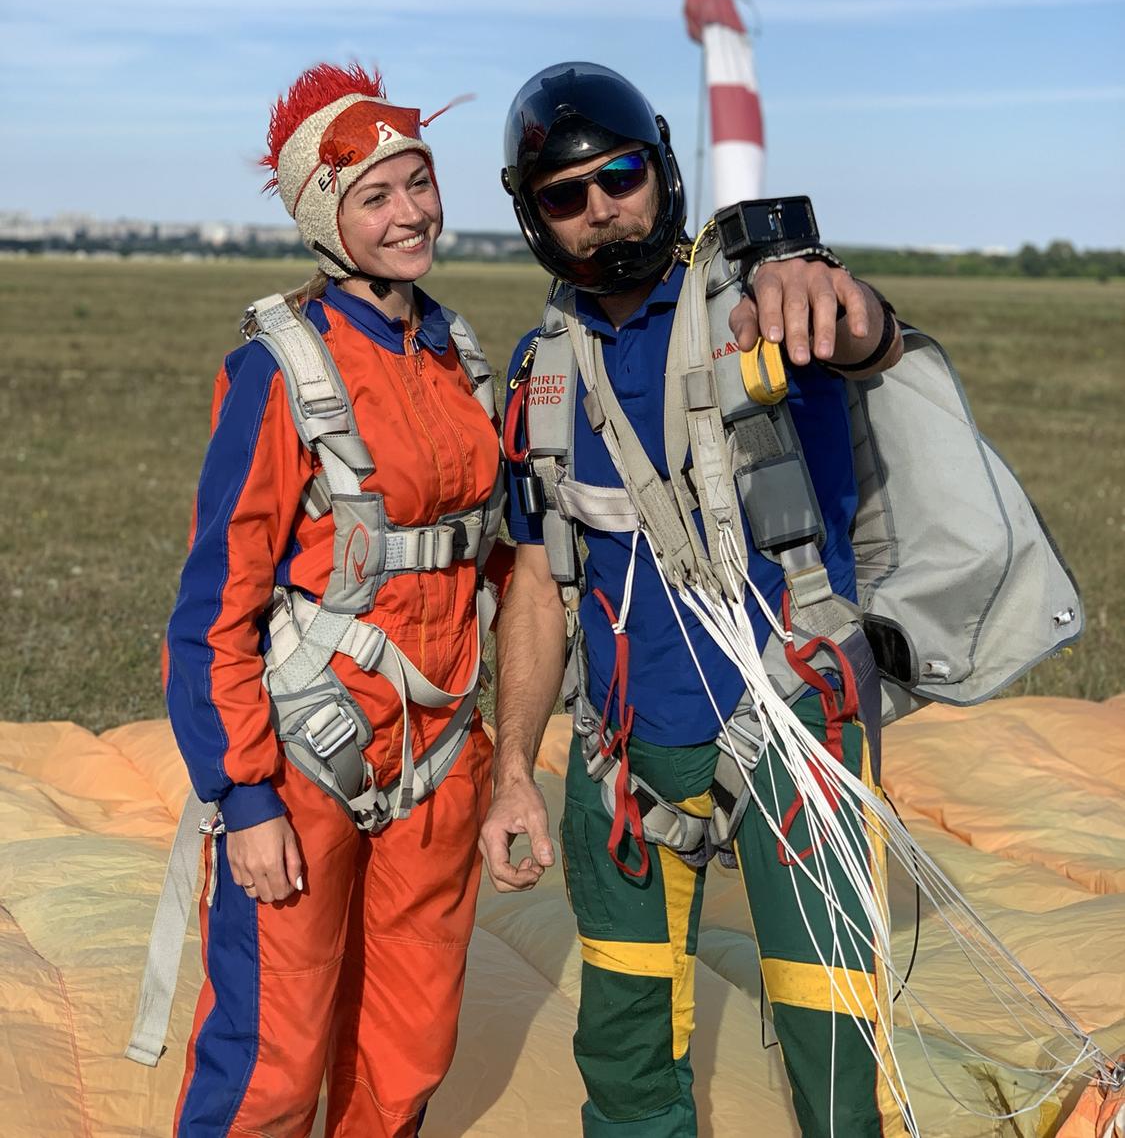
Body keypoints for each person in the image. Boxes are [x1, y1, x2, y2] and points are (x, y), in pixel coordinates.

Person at [479, 61, 907, 1138]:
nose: (599, 208)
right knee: (623, 1058)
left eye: (618, 176)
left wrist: (833, 295)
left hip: (793, 727)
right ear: (534, 218)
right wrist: (512, 771)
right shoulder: (541, 373)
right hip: (621, 754)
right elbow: (532, 582)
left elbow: (864, 335)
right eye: (565, 195)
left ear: (660, 170)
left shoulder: (759, 306)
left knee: (832, 1055)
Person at [164, 62, 506, 1138]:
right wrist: (244, 797)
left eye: (420, 183)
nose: (410, 214)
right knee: (274, 1057)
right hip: (309, 755)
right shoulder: (281, 371)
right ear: (327, 220)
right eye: (376, 196)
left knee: (406, 1053)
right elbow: (212, 609)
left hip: (439, 751)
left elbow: (492, 559)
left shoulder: (458, 356)